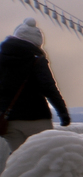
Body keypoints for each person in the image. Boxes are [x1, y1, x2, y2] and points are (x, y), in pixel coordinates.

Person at [0, 17, 70, 153]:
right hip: (35, 118)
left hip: (7, 120)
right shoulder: (36, 60)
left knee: (19, 161)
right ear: (37, 42)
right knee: (42, 159)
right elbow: (49, 87)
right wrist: (62, 112)